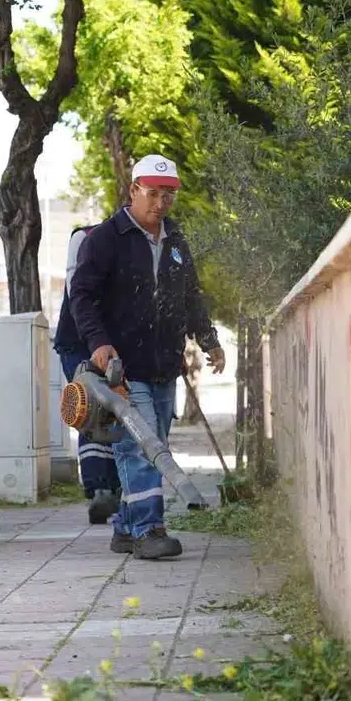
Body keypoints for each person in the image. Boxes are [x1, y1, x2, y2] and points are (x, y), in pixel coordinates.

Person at [68, 153, 226, 560]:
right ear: (134, 190)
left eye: (168, 195)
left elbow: (190, 295)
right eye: (153, 194)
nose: (161, 203)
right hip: (122, 366)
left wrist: (209, 340)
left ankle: (125, 526)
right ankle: (149, 530)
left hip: (162, 365)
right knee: (141, 448)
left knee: (155, 444)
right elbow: (82, 296)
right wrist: (99, 344)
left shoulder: (174, 241)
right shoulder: (105, 238)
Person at [53, 223, 122, 525]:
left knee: (118, 411)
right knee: (91, 410)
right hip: (79, 342)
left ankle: (114, 488)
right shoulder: (84, 237)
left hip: (116, 343)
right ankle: (100, 489)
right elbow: (77, 291)